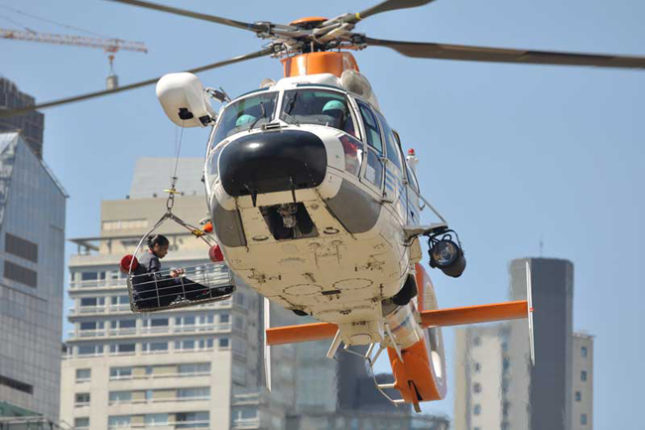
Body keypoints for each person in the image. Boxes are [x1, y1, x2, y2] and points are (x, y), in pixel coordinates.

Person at [131, 234, 232, 310]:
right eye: (165, 249)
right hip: (150, 299)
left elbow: (153, 280)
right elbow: (156, 281)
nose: (166, 252)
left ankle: (203, 293)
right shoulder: (152, 259)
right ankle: (208, 292)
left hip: (144, 298)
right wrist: (171, 277)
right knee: (180, 282)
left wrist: (171, 277)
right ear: (157, 246)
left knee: (179, 284)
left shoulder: (144, 257)